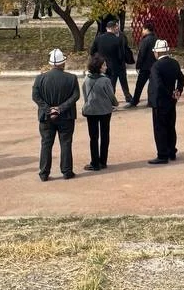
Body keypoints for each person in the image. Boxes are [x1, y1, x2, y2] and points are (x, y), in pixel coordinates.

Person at [32, 48, 80, 181]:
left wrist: (48, 110)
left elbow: (36, 96)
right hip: (66, 116)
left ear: (50, 64)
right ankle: (67, 171)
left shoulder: (40, 78)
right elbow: (75, 96)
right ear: (63, 63)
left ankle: (44, 173)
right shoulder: (71, 78)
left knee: (46, 144)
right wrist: (60, 108)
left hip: (46, 117)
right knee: (66, 143)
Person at [147, 39, 184, 164]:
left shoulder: (156, 66)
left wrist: (168, 94)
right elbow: (182, 79)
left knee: (160, 128)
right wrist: (177, 91)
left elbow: (158, 85)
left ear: (157, 52)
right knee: (170, 126)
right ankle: (171, 151)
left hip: (159, 101)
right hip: (171, 101)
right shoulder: (174, 63)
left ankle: (162, 154)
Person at [81, 54, 118, 171]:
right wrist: (115, 103)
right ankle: (103, 161)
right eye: (104, 65)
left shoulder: (87, 79)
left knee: (93, 137)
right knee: (105, 135)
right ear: (99, 67)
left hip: (91, 110)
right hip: (105, 110)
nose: (106, 67)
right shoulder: (105, 80)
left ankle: (95, 162)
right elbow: (111, 95)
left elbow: (85, 94)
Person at [91, 17, 133, 102]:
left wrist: (99, 60)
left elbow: (92, 51)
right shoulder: (117, 40)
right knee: (118, 82)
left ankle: (109, 100)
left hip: (103, 65)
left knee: (109, 83)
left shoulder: (98, 38)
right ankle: (114, 100)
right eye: (116, 26)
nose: (117, 28)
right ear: (113, 28)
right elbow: (120, 55)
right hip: (117, 65)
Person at [129, 21, 158, 107]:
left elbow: (141, 54)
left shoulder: (145, 40)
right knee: (152, 85)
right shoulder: (156, 39)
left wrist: (138, 65)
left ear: (147, 29)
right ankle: (151, 101)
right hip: (154, 66)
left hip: (145, 67)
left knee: (139, 85)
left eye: (143, 29)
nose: (142, 31)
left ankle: (135, 101)